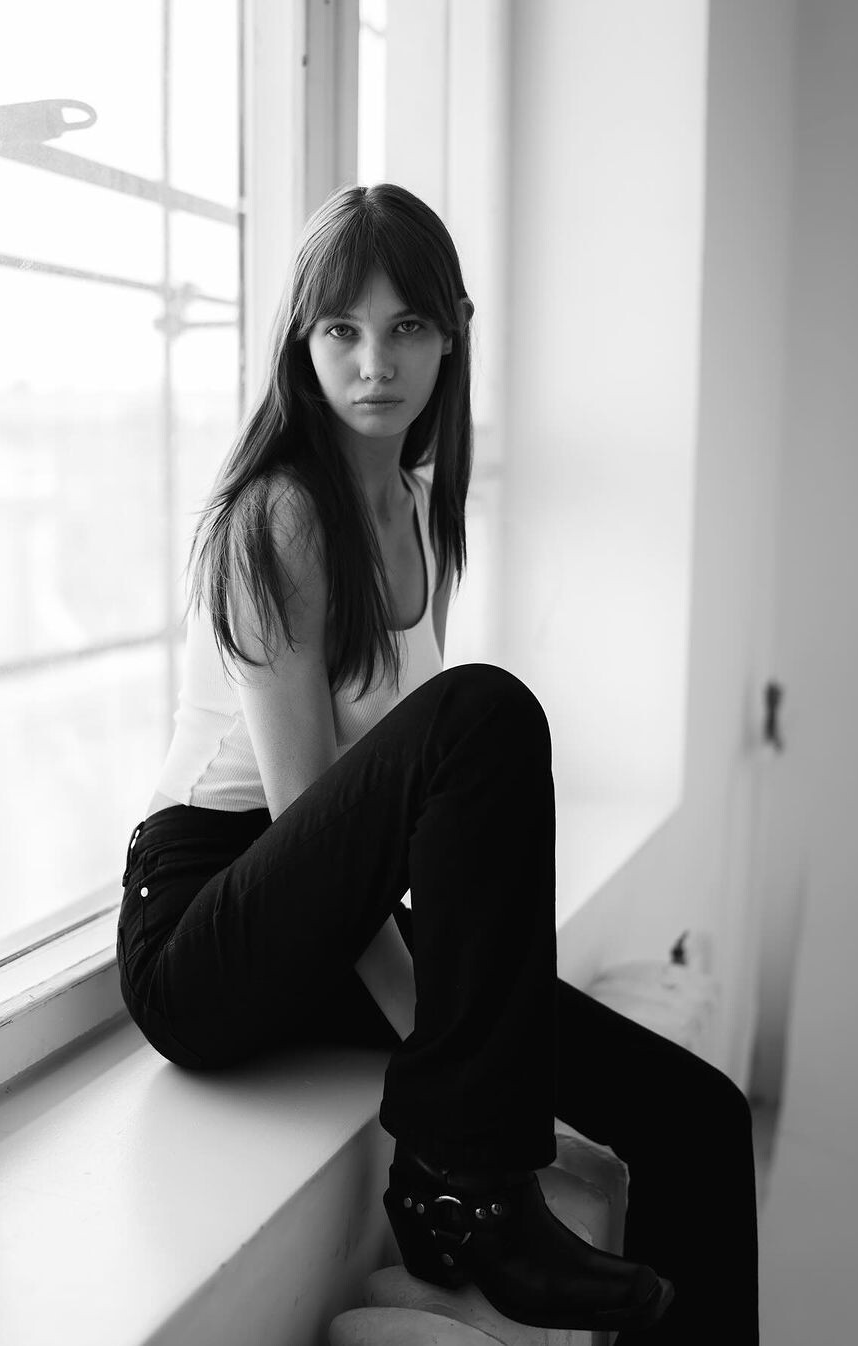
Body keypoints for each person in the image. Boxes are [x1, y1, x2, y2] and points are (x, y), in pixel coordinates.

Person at [116, 183, 758, 1342]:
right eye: (342, 329)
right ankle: (463, 1192)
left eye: (407, 325)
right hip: (210, 924)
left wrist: (493, 1059)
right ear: (301, 342)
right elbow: (310, 821)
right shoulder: (281, 517)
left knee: (694, 1116)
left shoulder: (418, 507)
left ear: (452, 334)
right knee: (485, 713)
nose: (376, 363)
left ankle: (474, 1181)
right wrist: (481, 1091)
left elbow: (414, 828)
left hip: (337, 907)